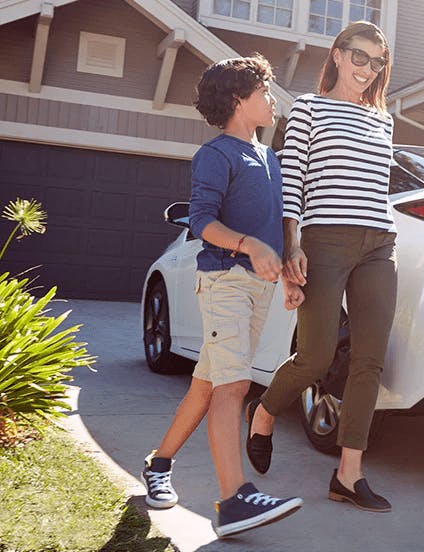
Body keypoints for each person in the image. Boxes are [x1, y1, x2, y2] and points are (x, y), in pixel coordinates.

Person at [139, 54, 305, 538]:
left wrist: (288, 271)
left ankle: (159, 463)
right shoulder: (217, 155)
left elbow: (272, 228)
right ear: (238, 100)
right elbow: (202, 221)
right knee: (233, 386)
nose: (272, 101)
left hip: (257, 289)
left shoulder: (268, 157)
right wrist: (248, 245)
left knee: (208, 385)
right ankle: (234, 499)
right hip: (224, 281)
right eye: (264, 93)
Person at [245, 21, 396, 513]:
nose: (367, 70)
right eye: (359, 57)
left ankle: (348, 475)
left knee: (369, 360)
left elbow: (377, 189)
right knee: (315, 357)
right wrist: (292, 247)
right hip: (324, 241)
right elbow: (292, 182)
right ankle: (264, 411)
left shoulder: (384, 120)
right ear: (336, 54)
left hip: (379, 244)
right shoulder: (309, 108)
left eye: (377, 62)